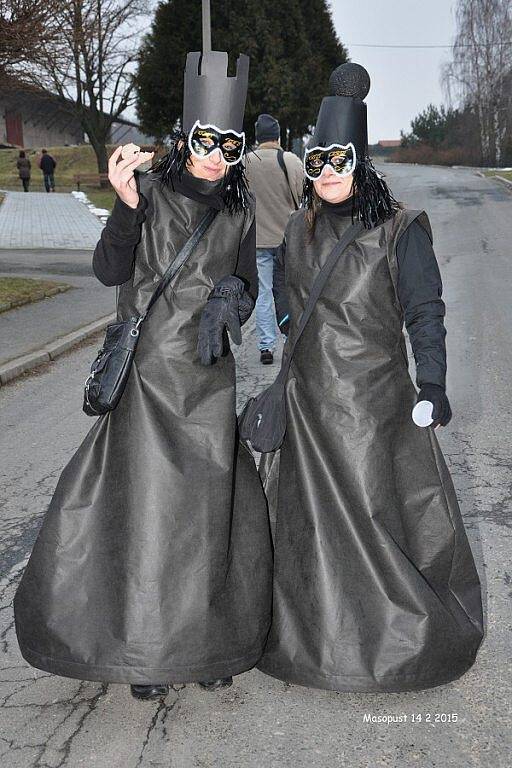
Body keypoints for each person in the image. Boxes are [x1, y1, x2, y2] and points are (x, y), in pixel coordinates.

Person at [14, 41, 272, 702]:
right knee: (151, 522)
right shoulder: (149, 194)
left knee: (209, 521)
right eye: (207, 139)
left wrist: (231, 299)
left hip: (208, 383)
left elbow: (245, 279)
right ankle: (148, 652)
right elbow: (109, 272)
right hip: (147, 381)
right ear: (185, 138)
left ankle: (209, 643)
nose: (217, 154)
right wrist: (125, 203)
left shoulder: (239, 211)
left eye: (231, 143)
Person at [258, 63, 484, 693]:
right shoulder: (298, 227)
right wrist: (279, 318)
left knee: (375, 523)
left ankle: (386, 640)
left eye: (340, 159)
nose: (327, 172)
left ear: (359, 161)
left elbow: (424, 311)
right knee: (310, 530)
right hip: (308, 408)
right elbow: (281, 285)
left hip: (373, 411)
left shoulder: (399, 230)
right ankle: (312, 640)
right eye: (318, 160)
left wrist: (432, 385)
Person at [245, 114, 302, 365]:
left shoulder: (245, 162)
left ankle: (266, 346)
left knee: (264, 294)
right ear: (277, 136)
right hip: (287, 240)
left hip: (258, 240)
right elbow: (303, 198)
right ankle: (295, 338)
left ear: (257, 138)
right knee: (292, 290)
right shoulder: (289, 160)